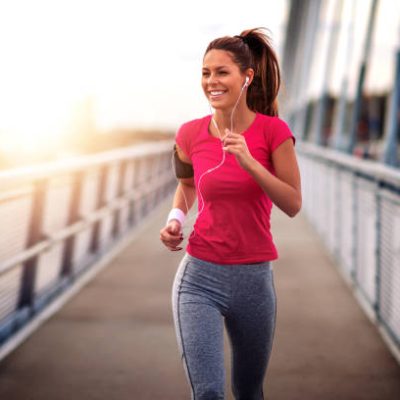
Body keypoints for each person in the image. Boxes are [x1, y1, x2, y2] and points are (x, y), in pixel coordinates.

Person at [159, 27, 302, 400]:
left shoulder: (274, 132)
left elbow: (292, 203)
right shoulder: (189, 133)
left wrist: (251, 162)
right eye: (206, 73)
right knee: (208, 393)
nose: (212, 81)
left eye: (222, 72)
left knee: (249, 390)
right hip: (199, 277)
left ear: (246, 77)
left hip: (254, 280)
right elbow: (188, 185)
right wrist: (174, 219)